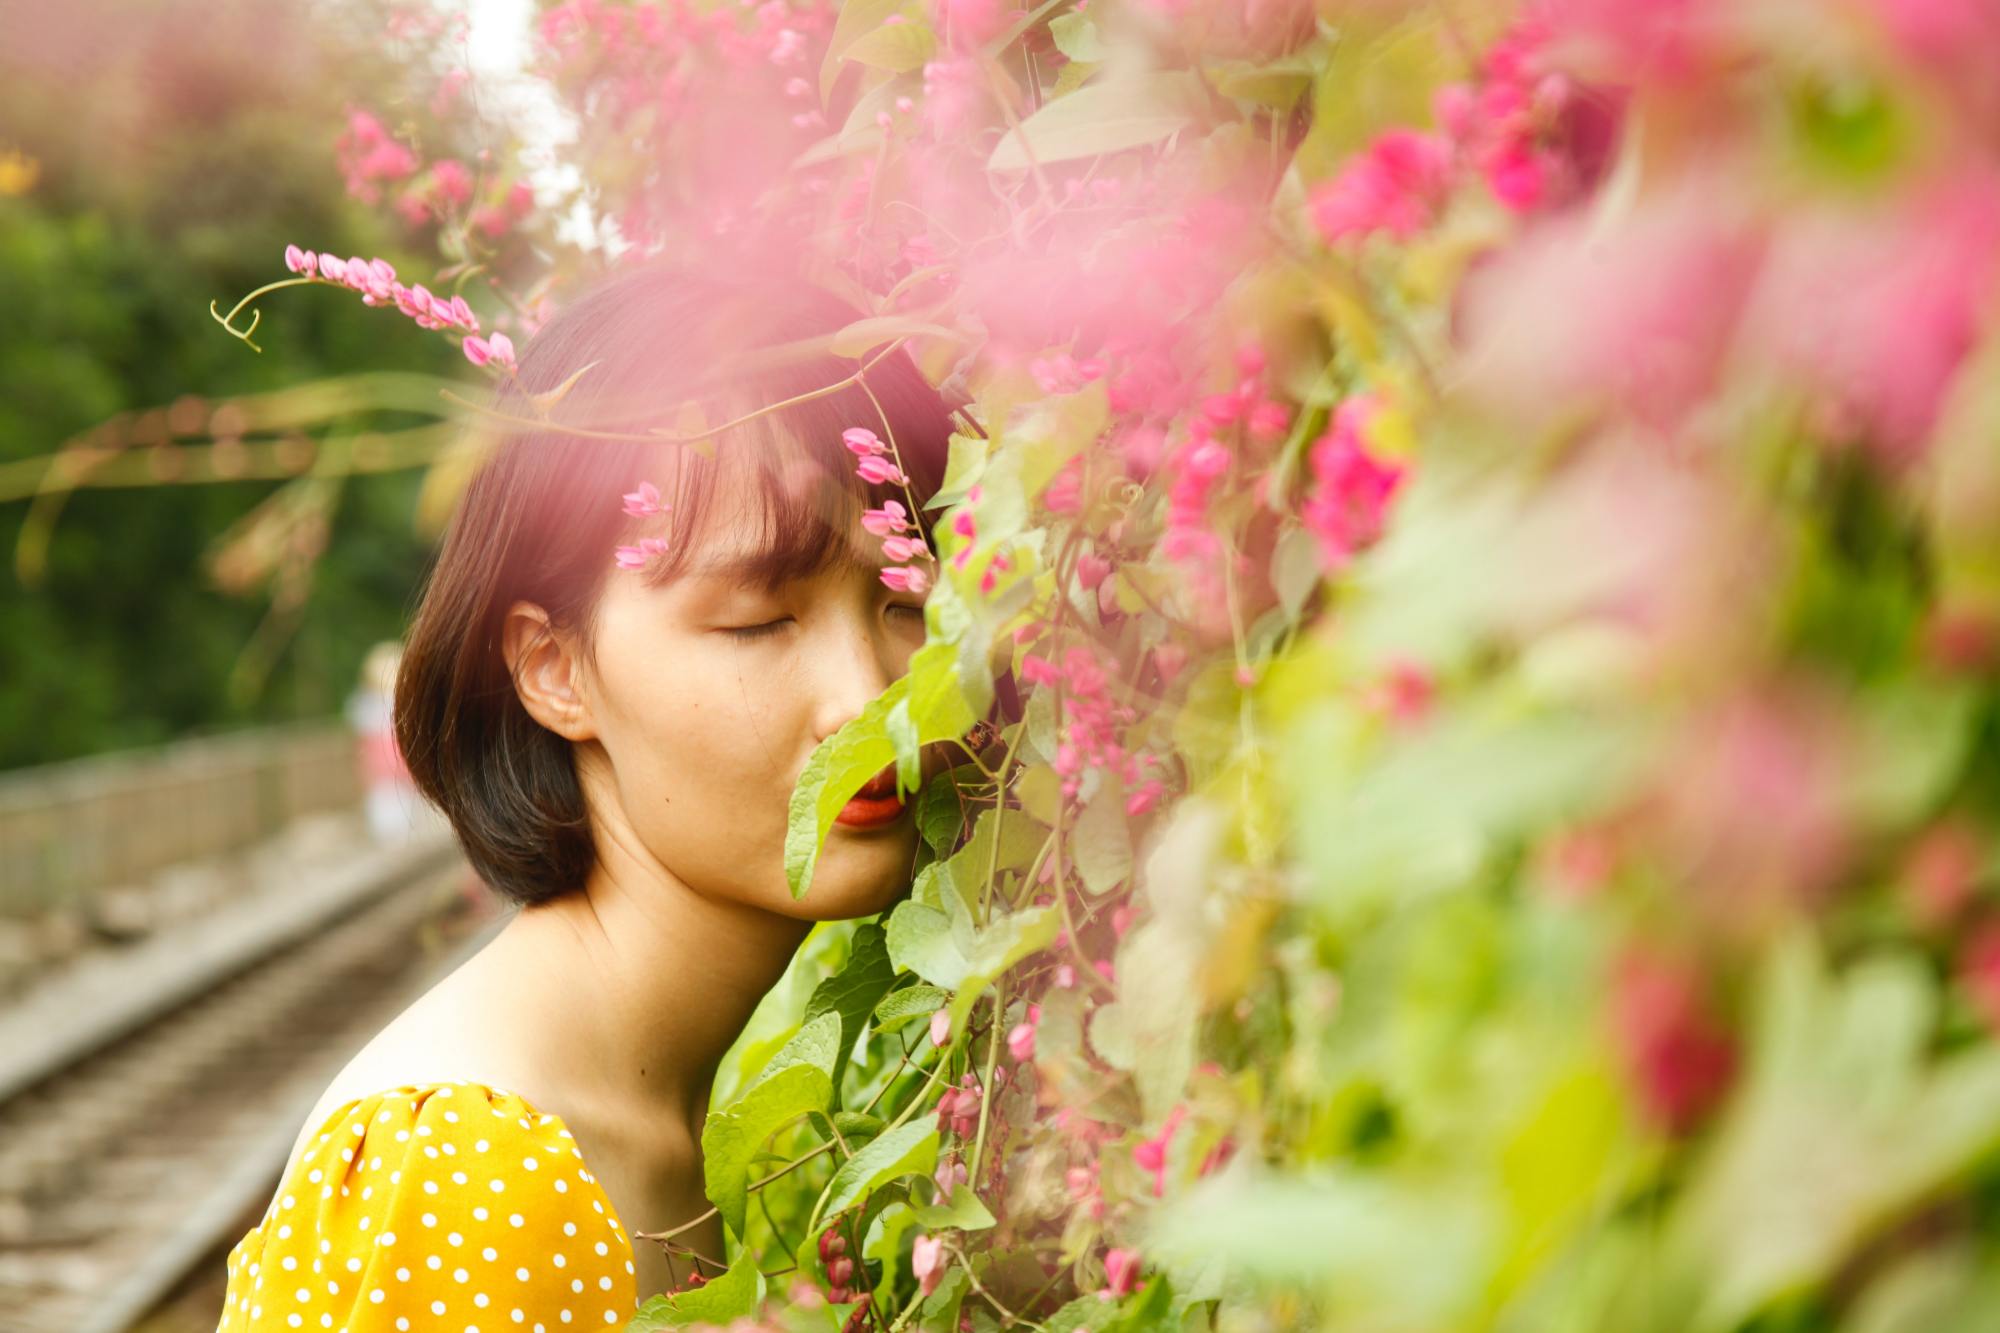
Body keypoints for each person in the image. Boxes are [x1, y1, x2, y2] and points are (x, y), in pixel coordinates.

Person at [214, 262, 969, 1330]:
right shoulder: (471, 1173)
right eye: (758, 620)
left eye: (903, 597)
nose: (868, 698)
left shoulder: (654, 1117)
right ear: (554, 669)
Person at [345, 640, 420, 842]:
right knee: (389, 812)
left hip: (394, 774)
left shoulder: (372, 711)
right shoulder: (374, 711)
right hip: (386, 775)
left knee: (397, 813)